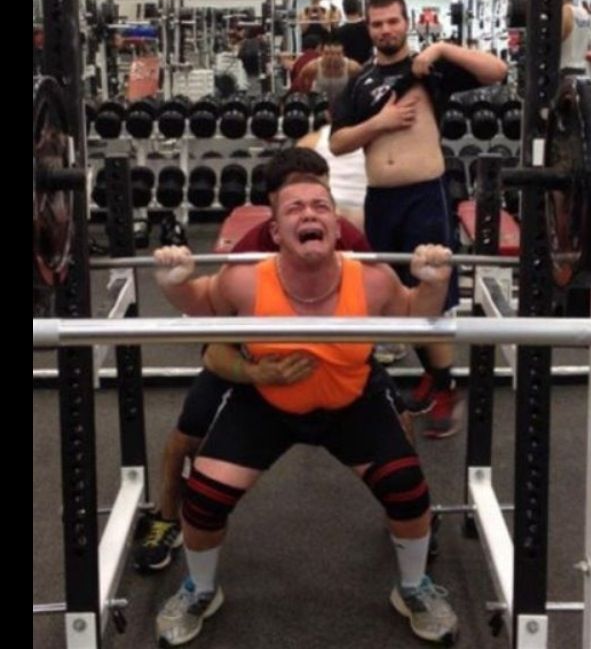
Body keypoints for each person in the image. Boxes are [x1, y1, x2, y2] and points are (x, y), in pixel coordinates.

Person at [155, 176, 459, 647]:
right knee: (205, 499)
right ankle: (200, 589)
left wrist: (433, 283)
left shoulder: (373, 278)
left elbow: (417, 314)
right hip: (266, 404)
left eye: (321, 206)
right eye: (295, 209)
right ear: (275, 232)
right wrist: (173, 282)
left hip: (351, 401)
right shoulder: (245, 278)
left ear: (336, 228)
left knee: (407, 492)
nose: (310, 214)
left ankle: (415, 587)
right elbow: (201, 302)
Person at [133, 148, 412, 573]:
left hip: (335, 363)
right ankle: (167, 516)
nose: (312, 205)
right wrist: (253, 372)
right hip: (250, 356)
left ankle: (406, 517)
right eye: (296, 198)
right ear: (274, 212)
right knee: (187, 435)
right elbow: (213, 345)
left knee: (399, 417)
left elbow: (379, 302)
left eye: (322, 192)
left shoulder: (345, 237)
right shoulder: (248, 254)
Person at [329, 0, 508, 438]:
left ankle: (446, 387)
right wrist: (380, 124)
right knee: (396, 299)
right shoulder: (361, 81)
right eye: (377, 23)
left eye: (393, 21)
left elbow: (498, 71)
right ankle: (435, 378)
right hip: (382, 201)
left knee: (432, 293)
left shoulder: (430, 69)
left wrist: (443, 48)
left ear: (406, 22)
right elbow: (338, 142)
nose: (385, 30)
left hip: (424, 197)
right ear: (367, 28)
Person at [297, 73, 366, 231]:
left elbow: (291, 179)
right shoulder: (374, 137)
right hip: (354, 213)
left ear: (328, 115)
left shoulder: (310, 141)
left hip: (332, 213)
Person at [293, 33, 362, 94]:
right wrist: (307, 94)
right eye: (327, 53)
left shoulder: (352, 67)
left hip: (342, 103)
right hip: (320, 102)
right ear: (321, 53)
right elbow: (301, 79)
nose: (333, 57)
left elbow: (362, 84)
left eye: (338, 54)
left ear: (343, 54)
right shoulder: (313, 67)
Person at [560, 0, 591, 76]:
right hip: (580, 66)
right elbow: (589, 39)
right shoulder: (584, 12)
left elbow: (559, 36)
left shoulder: (566, 10)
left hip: (565, 67)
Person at [336, 0, 373, 64]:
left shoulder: (339, 32)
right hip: (368, 67)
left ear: (344, 10)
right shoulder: (368, 28)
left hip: (348, 69)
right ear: (359, 8)